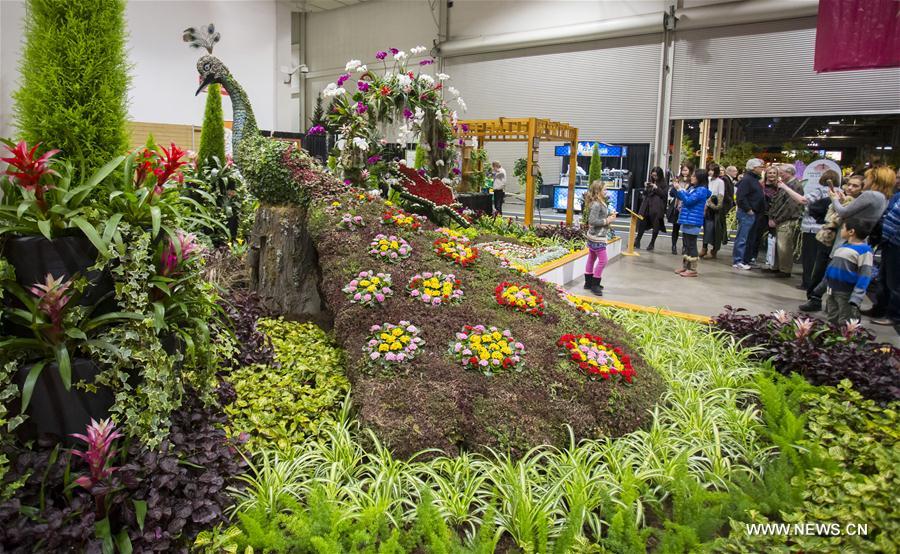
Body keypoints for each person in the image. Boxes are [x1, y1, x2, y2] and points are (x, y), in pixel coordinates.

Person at [776, 169, 834, 290]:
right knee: (822, 259)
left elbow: (802, 200)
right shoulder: (838, 192)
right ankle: (818, 284)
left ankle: (808, 283)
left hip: (812, 228)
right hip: (828, 229)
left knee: (810, 258)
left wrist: (785, 188)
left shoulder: (820, 191)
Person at [823, 219, 874, 326]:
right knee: (832, 318)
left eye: (843, 228)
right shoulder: (841, 248)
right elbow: (831, 269)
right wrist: (822, 286)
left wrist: (857, 297)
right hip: (832, 290)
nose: (841, 230)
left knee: (846, 321)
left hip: (847, 294)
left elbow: (865, 275)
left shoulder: (864, 251)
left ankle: (845, 341)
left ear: (851, 232)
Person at [865, 183, 900, 332]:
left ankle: (894, 316)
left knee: (895, 283)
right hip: (887, 242)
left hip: (897, 244)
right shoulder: (897, 195)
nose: (897, 180)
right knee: (883, 278)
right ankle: (879, 308)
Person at [763, 164, 804, 277]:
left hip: (786, 220)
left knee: (784, 246)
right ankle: (776, 266)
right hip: (778, 219)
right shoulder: (785, 184)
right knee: (777, 245)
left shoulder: (795, 186)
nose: (779, 175)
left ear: (789, 172)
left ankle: (785, 270)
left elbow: (790, 206)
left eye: (781, 173)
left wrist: (777, 219)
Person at [674, 169, 711, 277]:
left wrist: (680, 190)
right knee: (686, 244)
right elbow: (685, 197)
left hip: (693, 220)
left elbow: (689, 201)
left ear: (700, 178)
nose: (692, 178)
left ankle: (693, 269)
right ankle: (685, 266)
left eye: (694, 176)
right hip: (687, 218)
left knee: (691, 245)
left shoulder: (702, 190)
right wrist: (680, 189)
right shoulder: (693, 188)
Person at [583, 179, 616, 296]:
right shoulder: (597, 204)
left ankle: (588, 282)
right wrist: (607, 220)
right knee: (603, 260)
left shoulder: (599, 202)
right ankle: (595, 284)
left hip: (595, 236)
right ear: (598, 191)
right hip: (597, 237)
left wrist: (609, 217)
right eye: (605, 189)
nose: (606, 191)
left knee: (591, 258)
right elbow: (592, 221)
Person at [732, 158, 765, 270]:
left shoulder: (753, 180)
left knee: (749, 237)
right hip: (747, 213)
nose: (762, 169)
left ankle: (745, 259)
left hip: (753, 212)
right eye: (760, 167)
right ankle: (738, 260)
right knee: (743, 237)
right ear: (753, 168)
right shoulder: (747, 180)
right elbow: (740, 197)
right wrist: (748, 209)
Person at [635, 166, 667, 251]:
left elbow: (664, 195)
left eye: (656, 175)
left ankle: (652, 243)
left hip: (656, 208)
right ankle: (637, 240)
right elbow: (645, 193)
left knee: (656, 225)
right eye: (653, 175)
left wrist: (656, 188)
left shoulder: (663, 184)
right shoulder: (651, 181)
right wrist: (646, 187)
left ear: (660, 175)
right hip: (646, 206)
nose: (654, 177)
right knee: (642, 222)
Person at [701, 163, 725, 258]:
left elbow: (720, 195)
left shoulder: (720, 182)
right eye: (709, 169)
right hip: (706, 208)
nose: (710, 172)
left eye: (712, 170)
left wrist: (711, 203)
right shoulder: (707, 180)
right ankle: (704, 248)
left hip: (714, 209)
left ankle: (715, 249)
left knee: (715, 229)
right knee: (707, 229)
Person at [668, 163, 692, 254]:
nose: (684, 172)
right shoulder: (677, 180)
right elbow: (671, 194)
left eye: (686, 170)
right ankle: (673, 246)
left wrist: (682, 191)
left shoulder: (692, 182)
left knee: (685, 228)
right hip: (676, 207)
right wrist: (676, 187)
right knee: (675, 228)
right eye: (683, 170)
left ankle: (684, 247)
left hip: (686, 207)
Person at [718, 165, 738, 247]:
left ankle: (724, 237)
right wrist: (731, 201)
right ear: (729, 171)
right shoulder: (725, 179)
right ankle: (723, 238)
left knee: (725, 222)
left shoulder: (729, 179)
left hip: (727, 204)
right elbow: (725, 193)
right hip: (725, 205)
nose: (736, 173)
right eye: (734, 171)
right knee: (724, 221)